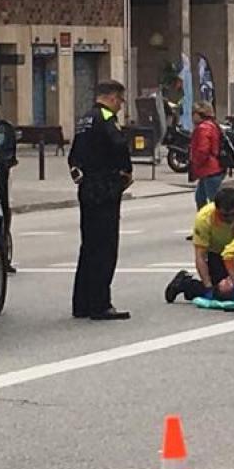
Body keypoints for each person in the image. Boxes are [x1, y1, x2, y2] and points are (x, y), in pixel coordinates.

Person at [69, 79, 133, 321]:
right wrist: (125, 173)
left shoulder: (84, 119)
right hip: (105, 187)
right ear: (113, 98)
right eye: (120, 101)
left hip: (87, 188)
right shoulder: (106, 119)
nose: (120, 106)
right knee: (105, 248)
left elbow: (74, 155)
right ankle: (100, 304)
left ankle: (82, 303)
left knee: (88, 246)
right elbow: (119, 148)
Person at [165, 186, 234, 303]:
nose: (229, 219)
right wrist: (208, 287)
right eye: (224, 215)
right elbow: (200, 256)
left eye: (233, 214)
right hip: (217, 251)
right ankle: (185, 283)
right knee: (222, 291)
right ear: (216, 209)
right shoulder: (204, 219)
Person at [0, 105, 18, 274]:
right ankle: (3, 256)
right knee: (3, 216)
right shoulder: (2, 129)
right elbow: (5, 154)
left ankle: (1, 255)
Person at [188, 101, 224, 211]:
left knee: (214, 203)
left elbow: (203, 150)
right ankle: (205, 220)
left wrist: (195, 162)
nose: (192, 116)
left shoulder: (203, 128)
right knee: (200, 197)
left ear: (200, 114)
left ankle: (214, 223)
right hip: (210, 170)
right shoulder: (212, 125)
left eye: (193, 113)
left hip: (209, 169)